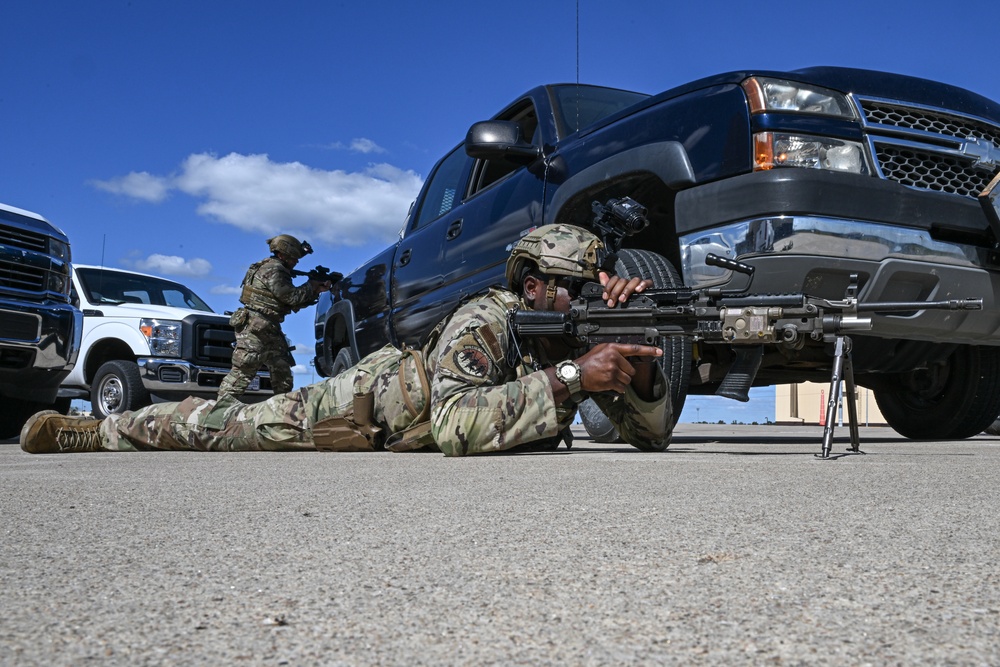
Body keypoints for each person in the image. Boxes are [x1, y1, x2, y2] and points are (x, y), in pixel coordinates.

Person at [21, 224, 671, 456]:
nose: (586, 298)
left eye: (595, 286)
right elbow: (453, 425)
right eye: (573, 286)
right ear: (531, 287)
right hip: (358, 402)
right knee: (224, 424)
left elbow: (651, 436)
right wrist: (569, 380)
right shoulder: (491, 316)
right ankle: (101, 431)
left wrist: (637, 367)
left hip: (398, 419)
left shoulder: (565, 338)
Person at [218, 234, 332, 399]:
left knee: (282, 371)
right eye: (294, 258)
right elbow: (291, 297)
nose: (296, 262)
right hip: (256, 326)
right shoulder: (274, 269)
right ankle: (218, 412)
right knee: (244, 370)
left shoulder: (270, 267)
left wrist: (315, 290)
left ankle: (283, 410)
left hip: (267, 327)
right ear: (282, 254)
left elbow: (289, 303)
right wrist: (311, 285)